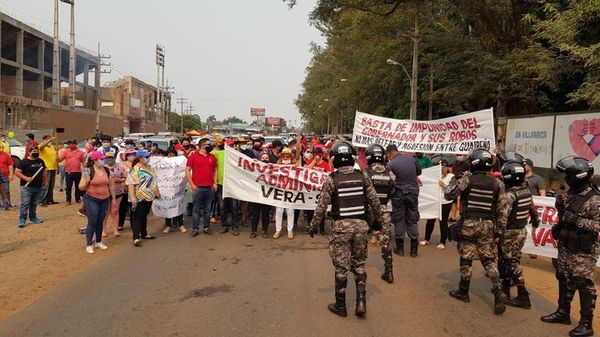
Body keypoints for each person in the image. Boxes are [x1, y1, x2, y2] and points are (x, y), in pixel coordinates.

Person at [307, 141, 384, 318]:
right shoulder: (363, 176)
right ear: (352, 158)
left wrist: (313, 226)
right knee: (359, 265)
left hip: (341, 230)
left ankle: (341, 306)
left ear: (333, 160)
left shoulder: (332, 179)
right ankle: (361, 303)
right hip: (361, 229)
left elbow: (321, 206)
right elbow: (375, 202)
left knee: (341, 268)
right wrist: (377, 223)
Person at [444, 148, 508, 315]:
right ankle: (498, 290)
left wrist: (456, 179)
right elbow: (503, 210)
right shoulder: (498, 183)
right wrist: (499, 232)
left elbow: (448, 195)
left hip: (469, 224)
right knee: (488, 259)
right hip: (487, 225)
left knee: (466, 257)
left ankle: (463, 291)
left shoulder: (467, 180)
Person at [541, 156, 599, 337]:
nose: (564, 179)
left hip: (583, 250)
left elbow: (598, 225)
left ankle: (586, 324)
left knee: (583, 283)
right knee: (563, 276)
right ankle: (563, 312)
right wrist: (560, 223)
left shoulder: (594, 199)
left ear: (577, 177)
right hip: (566, 245)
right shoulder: (571, 195)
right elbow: (565, 216)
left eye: (567, 175)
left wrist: (577, 221)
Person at [498, 160, 539, 309]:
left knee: (511, 263)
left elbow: (503, 218)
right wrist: (535, 220)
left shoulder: (510, 195)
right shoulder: (526, 191)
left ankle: (523, 296)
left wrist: (498, 234)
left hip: (510, 233)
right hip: (521, 232)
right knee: (509, 261)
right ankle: (505, 289)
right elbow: (533, 210)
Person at [364, 144, 395, 283]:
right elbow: (393, 191)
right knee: (385, 242)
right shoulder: (390, 173)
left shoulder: (365, 173)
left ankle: (358, 270)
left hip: (366, 211)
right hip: (384, 211)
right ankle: (389, 272)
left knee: (358, 239)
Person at [385, 144, 422, 257]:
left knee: (399, 219)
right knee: (412, 219)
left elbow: (389, 180)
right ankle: (414, 250)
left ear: (390, 153)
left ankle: (400, 249)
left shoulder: (390, 164)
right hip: (412, 194)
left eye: (388, 155)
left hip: (399, 194)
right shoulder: (411, 159)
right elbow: (419, 172)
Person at [79, 151, 115, 253]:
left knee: (100, 221)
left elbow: (111, 185)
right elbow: (80, 187)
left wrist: (113, 198)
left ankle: (99, 241)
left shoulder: (107, 170)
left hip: (105, 199)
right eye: (101, 159)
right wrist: (86, 181)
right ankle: (89, 244)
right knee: (93, 221)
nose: (103, 160)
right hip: (92, 199)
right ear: (95, 160)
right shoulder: (87, 170)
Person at [127, 149, 160, 246]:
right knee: (137, 217)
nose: (148, 158)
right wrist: (132, 197)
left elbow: (154, 181)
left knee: (144, 215)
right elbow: (130, 184)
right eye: (146, 157)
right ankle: (136, 237)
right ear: (140, 158)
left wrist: (157, 191)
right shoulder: (135, 169)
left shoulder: (150, 167)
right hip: (138, 197)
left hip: (149, 196)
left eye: (149, 156)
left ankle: (144, 233)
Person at [186, 138, 217, 236]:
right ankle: (195, 229)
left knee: (208, 209)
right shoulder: (193, 157)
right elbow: (187, 171)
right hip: (198, 188)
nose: (210, 146)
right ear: (202, 145)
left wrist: (215, 183)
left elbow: (215, 169)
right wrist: (192, 184)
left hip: (210, 187)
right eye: (208, 144)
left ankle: (206, 227)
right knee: (196, 209)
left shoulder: (212, 156)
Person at [421, 159, 454, 249]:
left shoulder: (451, 176)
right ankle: (426, 239)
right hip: (434, 202)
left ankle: (442, 242)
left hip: (445, 202)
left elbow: (453, 190)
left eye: (444, 167)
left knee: (443, 222)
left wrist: (444, 185)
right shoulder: (434, 176)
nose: (442, 169)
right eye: (440, 167)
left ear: (447, 167)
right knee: (430, 220)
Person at [14, 146, 47, 228]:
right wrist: (26, 178)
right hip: (26, 187)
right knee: (25, 203)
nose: (36, 153)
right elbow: (17, 172)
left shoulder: (40, 161)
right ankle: (22, 219)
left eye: (37, 151)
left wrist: (45, 180)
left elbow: (44, 170)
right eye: (34, 151)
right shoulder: (24, 162)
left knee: (34, 203)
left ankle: (33, 217)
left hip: (38, 186)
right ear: (29, 152)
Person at [273, 148, 296, 240]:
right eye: (284, 156)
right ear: (281, 157)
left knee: (290, 211)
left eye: (288, 156)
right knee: (279, 211)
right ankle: (278, 229)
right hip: (280, 191)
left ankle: (290, 230)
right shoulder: (277, 166)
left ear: (290, 157)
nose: (286, 158)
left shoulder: (294, 166)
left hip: (291, 192)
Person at [102, 152, 126, 238]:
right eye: (108, 157)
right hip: (106, 192)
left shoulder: (120, 167)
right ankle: (103, 230)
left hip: (118, 191)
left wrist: (118, 180)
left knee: (115, 211)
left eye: (111, 157)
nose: (109, 159)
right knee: (105, 212)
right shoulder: (103, 168)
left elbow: (125, 178)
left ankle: (115, 230)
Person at [250, 152, 273, 238]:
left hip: (267, 194)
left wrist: (272, 167)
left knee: (265, 213)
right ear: (260, 159)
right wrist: (252, 163)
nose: (264, 159)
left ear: (269, 159)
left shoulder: (272, 168)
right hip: (257, 194)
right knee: (255, 213)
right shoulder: (256, 167)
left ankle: (265, 230)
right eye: (262, 158)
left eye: (266, 158)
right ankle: (254, 231)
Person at [60, 140, 85, 205]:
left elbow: (83, 162)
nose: (71, 145)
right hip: (68, 172)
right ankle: (68, 200)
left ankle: (78, 198)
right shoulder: (66, 152)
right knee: (68, 187)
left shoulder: (81, 152)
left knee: (78, 187)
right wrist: (57, 158)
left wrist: (85, 170)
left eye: (73, 144)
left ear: (76, 144)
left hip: (78, 172)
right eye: (70, 144)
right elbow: (60, 159)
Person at [117, 149, 136, 232]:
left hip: (135, 189)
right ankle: (120, 224)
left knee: (133, 207)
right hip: (124, 189)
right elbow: (120, 175)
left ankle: (133, 224)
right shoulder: (121, 164)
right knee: (122, 207)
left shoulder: (137, 164)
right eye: (129, 155)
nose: (132, 156)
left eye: (133, 155)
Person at [38, 135, 59, 206]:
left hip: (53, 168)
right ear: (43, 140)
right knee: (45, 185)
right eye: (47, 139)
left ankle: (50, 200)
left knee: (51, 185)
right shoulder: (41, 146)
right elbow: (41, 147)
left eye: (49, 139)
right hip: (46, 169)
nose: (49, 141)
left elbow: (54, 158)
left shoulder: (52, 147)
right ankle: (42, 200)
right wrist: (49, 140)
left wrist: (57, 167)